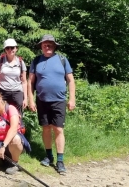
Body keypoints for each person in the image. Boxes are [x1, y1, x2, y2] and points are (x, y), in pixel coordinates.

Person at [27, 34, 76, 174]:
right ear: (41, 47)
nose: (47, 46)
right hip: (41, 100)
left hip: (59, 100)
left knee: (58, 129)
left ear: (54, 46)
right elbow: (30, 82)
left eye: (50, 44)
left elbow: (71, 80)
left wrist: (72, 99)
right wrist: (30, 99)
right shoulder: (36, 61)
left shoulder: (62, 59)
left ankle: (60, 161)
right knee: (46, 128)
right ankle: (48, 156)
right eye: (44, 45)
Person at [0, 38, 28, 114]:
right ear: (5, 50)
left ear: (16, 48)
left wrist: (25, 98)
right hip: (2, 91)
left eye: (12, 47)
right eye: (7, 48)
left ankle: (17, 126)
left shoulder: (21, 62)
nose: (10, 49)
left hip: (17, 92)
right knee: (2, 112)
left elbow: (24, 81)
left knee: (17, 115)